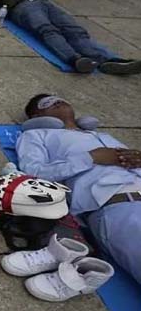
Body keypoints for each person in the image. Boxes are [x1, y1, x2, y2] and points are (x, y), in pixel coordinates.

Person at [17, 94, 141, 284]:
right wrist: (90, 158)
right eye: (47, 103)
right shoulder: (37, 134)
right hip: (117, 206)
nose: (57, 101)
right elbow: (32, 172)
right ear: (37, 115)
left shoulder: (102, 135)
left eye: (58, 98)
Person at [0, 0, 141, 74]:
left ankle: (107, 61)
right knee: (47, 29)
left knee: (75, 31)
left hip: (45, 3)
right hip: (23, 5)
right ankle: (74, 59)